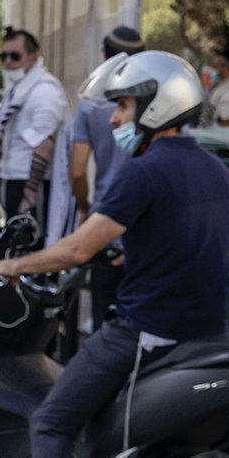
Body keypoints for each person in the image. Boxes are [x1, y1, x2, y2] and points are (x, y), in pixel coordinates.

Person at [0, 50, 229, 458]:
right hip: (203, 333)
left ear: (155, 105)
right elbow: (180, 240)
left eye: (123, 105)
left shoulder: (141, 172)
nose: (116, 118)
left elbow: (74, 249)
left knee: (50, 421)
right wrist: (123, 253)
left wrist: (12, 265)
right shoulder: (215, 169)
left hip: (145, 333)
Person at [69, 26, 144, 327]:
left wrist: (85, 207)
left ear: (104, 56)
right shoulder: (151, 105)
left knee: (105, 319)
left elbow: (77, 170)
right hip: (141, 221)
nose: (116, 117)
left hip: (106, 219)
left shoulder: (90, 106)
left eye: (122, 109)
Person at [0, 27, 70, 222]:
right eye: (4, 56)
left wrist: (30, 193)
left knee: (31, 243)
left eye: (15, 56)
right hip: (11, 176)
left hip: (32, 182)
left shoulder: (44, 91)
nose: (8, 62)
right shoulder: (18, 89)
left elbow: (45, 143)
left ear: (33, 57)